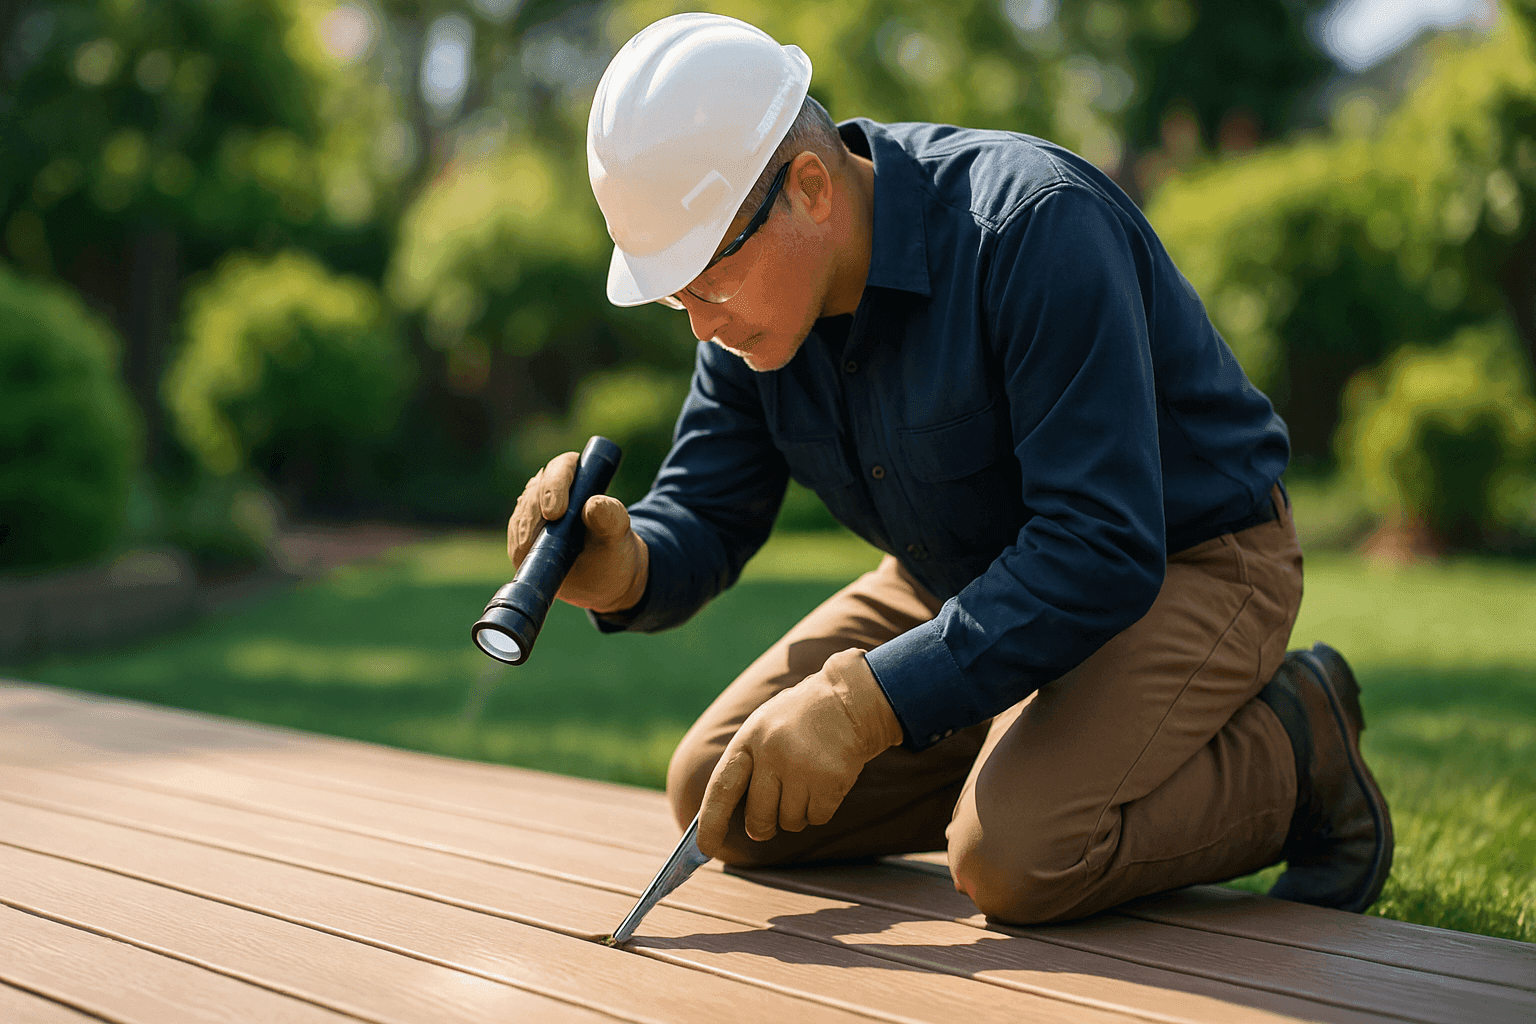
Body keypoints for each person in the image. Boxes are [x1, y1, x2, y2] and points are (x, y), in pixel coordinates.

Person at [506, 13, 1393, 923]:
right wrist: (620, 569)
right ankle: (1014, 749)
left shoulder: (1032, 227)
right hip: (958, 575)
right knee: (724, 799)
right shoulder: (751, 321)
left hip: (1188, 560)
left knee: (1014, 855)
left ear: (810, 187)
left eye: (708, 278)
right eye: (674, 293)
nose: (698, 322)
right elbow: (706, 509)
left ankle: (1302, 744)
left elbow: (1099, 548)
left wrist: (866, 708)